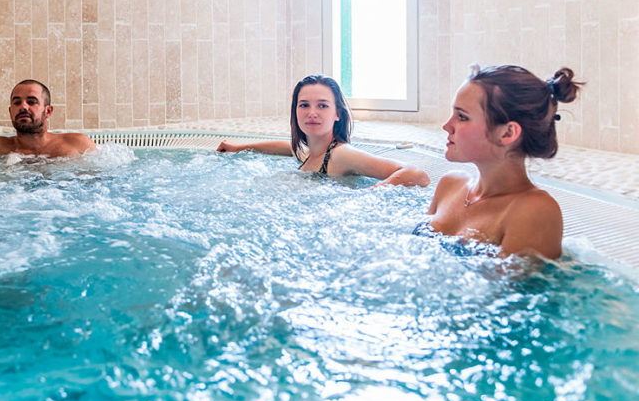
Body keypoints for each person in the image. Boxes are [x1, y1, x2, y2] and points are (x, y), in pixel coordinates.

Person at [425, 65, 583, 259]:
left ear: (507, 133)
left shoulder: (533, 211)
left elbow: (509, 288)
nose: (447, 126)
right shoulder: (450, 185)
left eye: (462, 117)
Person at [217, 75, 429, 186]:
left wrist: (371, 195)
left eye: (322, 105)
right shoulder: (311, 152)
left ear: (338, 113)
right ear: (295, 111)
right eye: (304, 105)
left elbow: (417, 175)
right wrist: (239, 147)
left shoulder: (340, 155)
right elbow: (287, 148)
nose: (312, 113)